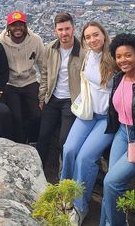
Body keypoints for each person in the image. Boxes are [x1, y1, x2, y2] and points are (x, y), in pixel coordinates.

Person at [61, 22, 116, 225]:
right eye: (88, 37)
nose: (93, 40)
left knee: (85, 158)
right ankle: (65, 192)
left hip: (106, 118)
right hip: (88, 113)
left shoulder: (114, 57)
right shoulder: (88, 55)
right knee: (69, 149)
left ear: (104, 34)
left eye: (96, 35)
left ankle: (79, 206)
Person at [100, 33, 135, 226]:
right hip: (122, 132)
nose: (122, 60)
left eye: (128, 55)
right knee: (110, 185)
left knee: (111, 182)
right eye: (119, 56)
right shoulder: (120, 78)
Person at [36, 12, 86, 169]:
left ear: (73, 29)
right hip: (52, 97)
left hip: (71, 100)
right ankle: (38, 169)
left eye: (67, 29)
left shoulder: (83, 52)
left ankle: (63, 172)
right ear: (55, 31)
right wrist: (42, 97)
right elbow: (44, 74)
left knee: (64, 139)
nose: (64, 33)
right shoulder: (50, 49)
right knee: (43, 136)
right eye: (60, 29)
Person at [0, 11, 45, 144]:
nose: (17, 28)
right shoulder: (0, 42)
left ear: (25, 25)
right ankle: (19, 144)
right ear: (8, 27)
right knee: (16, 117)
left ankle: (34, 141)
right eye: (13, 25)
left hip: (30, 80)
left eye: (21, 24)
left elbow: (43, 65)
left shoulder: (35, 40)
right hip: (10, 83)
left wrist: (43, 91)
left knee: (36, 114)